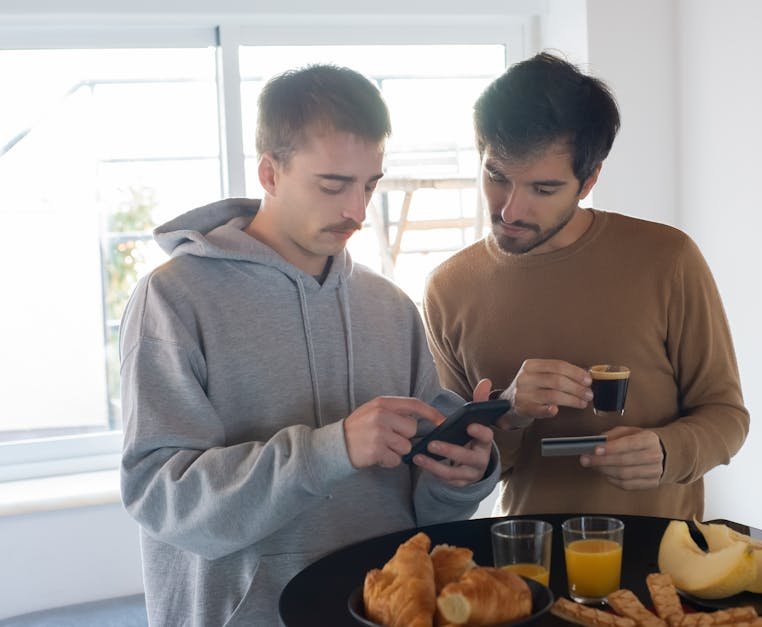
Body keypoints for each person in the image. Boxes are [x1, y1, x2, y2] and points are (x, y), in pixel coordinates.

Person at [119, 64, 499, 627]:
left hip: (382, 612)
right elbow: (161, 498)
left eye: (369, 184)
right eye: (333, 184)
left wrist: (465, 473)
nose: (357, 210)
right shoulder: (172, 298)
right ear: (270, 173)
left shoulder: (391, 307)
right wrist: (331, 449)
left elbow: (420, 506)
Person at [423, 52, 748, 521]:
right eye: (497, 177)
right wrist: (509, 411)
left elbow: (726, 415)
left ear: (589, 179)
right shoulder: (448, 288)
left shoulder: (667, 258)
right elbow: (459, 465)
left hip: (660, 563)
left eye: (542, 189)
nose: (511, 210)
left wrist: (667, 451)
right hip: (524, 565)